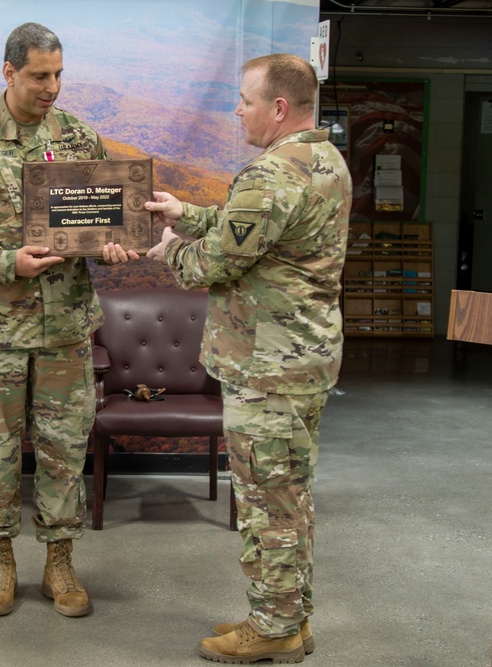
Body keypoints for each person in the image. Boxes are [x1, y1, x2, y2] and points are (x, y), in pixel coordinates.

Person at [0, 22, 138, 618]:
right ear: (9, 72)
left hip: (65, 326)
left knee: (64, 449)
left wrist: (110, 245)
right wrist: (3, 261)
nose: (52, 87)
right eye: (40, 75)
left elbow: (101, 222)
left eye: (59, 74)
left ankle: (60, 562)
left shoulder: (78, 138)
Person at [145, 54, 351, 664]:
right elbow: (255, 231)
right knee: (292, 494)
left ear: (278, 108)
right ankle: (290, 614)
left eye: (245, 100)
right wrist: (189, 214)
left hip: (268, 367)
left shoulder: (269, 174)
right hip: (305, 359)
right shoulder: (324, 160)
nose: (238, 110)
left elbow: (217, 262)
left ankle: (276, 628)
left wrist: (169, 248)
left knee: (267, 501)